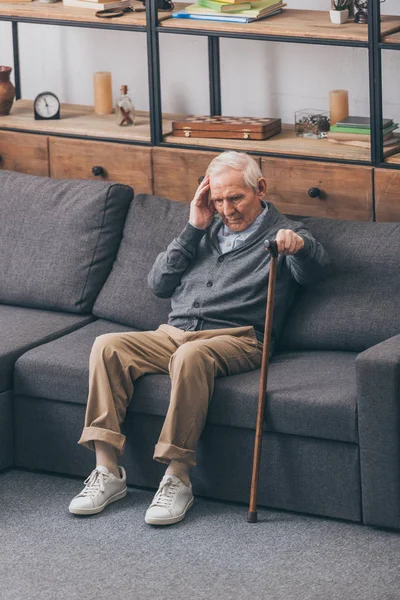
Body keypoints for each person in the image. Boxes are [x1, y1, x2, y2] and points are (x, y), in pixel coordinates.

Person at [68, 151, 330, 525]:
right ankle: (108, 471)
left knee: (190, 357)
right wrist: (193, 227)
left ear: (261, 188)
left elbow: (317, 270)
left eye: (236, 198)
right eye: (219, 199)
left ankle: (178, 477)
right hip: (175, 332)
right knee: (108, 345)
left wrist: (299, 248)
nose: (228, 209)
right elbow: (158, 284)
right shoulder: (201, 231)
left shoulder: (285, 233)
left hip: (239, 338)